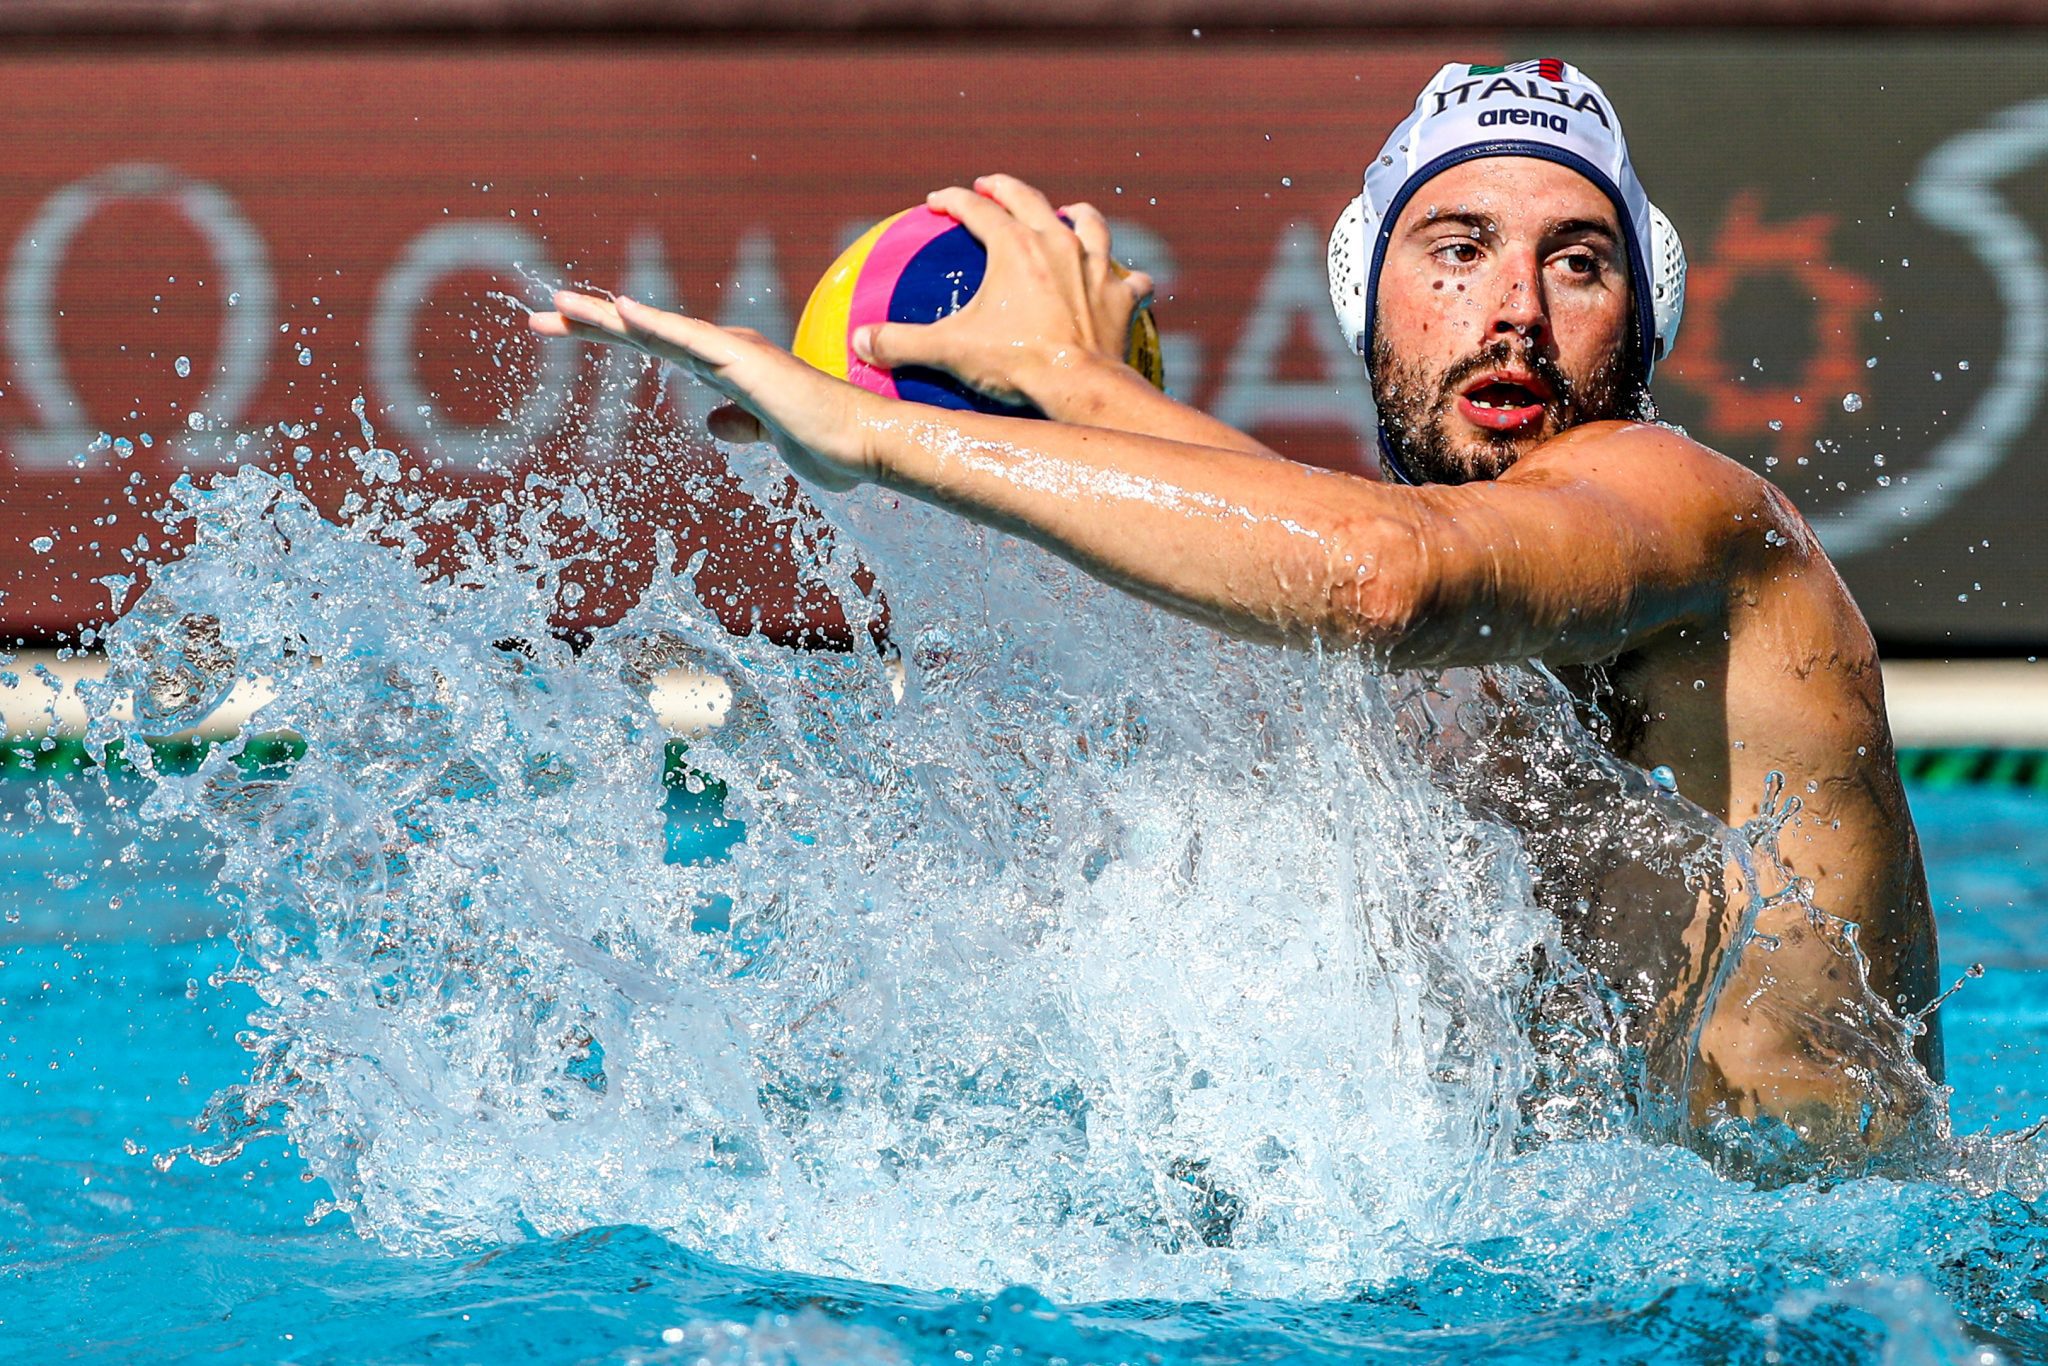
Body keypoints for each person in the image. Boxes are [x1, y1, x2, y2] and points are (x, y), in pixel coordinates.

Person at [531, 61, 1941, 1149]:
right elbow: (1301, 533)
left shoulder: (1702, 517)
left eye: (1579, 261)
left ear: (1642, 327)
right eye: (1457, 249)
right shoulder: (1457, 649)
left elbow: (1385, 580)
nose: (1515, 305)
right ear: (1368, 300)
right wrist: (1050, 403)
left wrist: (887, 435)